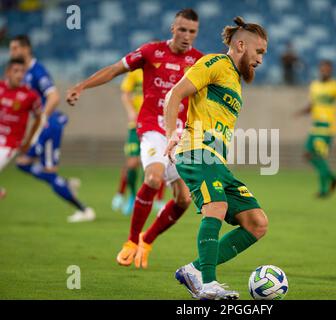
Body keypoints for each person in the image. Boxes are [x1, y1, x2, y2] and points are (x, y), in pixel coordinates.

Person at [66, 9, 203, 269]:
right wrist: (81, 86)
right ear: (173, 28)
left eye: (192, 31)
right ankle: (130, 242)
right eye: (182, 29)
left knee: (184, 199)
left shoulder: (199, 61)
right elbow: (115, 69)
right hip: (152, 127)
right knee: (153, 177)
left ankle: (146, 240)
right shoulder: (152, 52)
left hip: (179, 134)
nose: (187, 36)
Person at [164, 16, 269, 300]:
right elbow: (174, 94)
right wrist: (171, 132)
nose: (260, 59)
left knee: (257, 222)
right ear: (241, 44)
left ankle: (194, 270)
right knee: (217, 206)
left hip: (217, 162)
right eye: (258, 52)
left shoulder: (234, 80)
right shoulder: (215, 64)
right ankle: (208, 283)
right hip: (197, 151)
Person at [9, 35, 94, 222]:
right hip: (45, 126)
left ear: (26, 49)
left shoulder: (38, 71)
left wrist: (40, 122)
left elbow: (54, 98)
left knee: (36, 167)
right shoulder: (24, 73)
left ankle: (84, 210)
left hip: (49, 126)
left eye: (15, 48)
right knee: (24, 163)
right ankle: (64, 186)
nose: (12, 53)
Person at [111, 69, 166, 215]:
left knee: (154, 164)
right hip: (136, 125)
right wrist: (130, 111)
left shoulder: (161, 72)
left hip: (155, 124)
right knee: (132, 163)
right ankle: (131, 195)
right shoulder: (135, 73)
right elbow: (125, 94)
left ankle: (151, 199)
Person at [294, 60, 336, 198]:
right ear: (320, 69)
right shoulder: (314, 86)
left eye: (328, 69)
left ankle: (324, 190)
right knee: (307, 155)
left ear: (331, 70)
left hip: (327, 127)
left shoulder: (335, 87)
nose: (325, 71)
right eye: (323, 68)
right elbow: (312, 105)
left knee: (319, 156)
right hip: (316, 126)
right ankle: (333, 179)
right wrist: (300, 112)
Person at [0, 58, 42, 199]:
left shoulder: (30, 95)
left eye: (22, 72)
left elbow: (38, 118)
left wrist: (28, 141)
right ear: (7, 72)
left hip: (9, 144)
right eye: (16, 71)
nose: (20, 75)